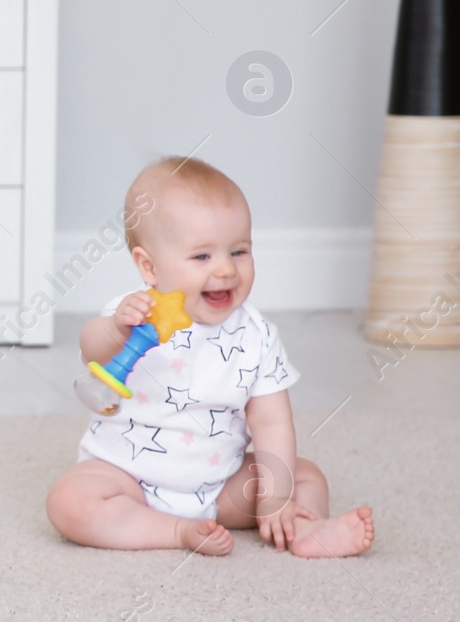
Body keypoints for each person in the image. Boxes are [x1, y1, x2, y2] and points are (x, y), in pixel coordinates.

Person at [45, 156, 375, 558]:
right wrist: (117, 329)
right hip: (126, 479)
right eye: (202, 257)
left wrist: (275, 500)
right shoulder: (134, 313)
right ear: (149, 267)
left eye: (238, 251)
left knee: (304, 478)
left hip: (221, 489)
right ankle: (176, 531)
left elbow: (270, 420)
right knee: (70, 500)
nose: (225, 270)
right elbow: (91, 350)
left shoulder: (257, 336)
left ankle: (304, 529)